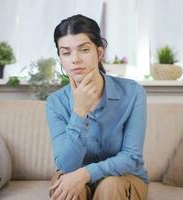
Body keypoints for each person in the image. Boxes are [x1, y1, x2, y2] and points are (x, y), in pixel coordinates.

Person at [46, 14, 148, 200]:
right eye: (66, 52)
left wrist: (85, 174)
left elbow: (131, 157)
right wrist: (79, 112)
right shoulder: (56, 102)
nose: (75, 59)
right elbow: (67, 166)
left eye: (83, 50)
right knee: (67, 189)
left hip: (123, 179)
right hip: (72, 177)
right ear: (60, 57)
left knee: (110, 185)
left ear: (99, 53)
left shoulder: (133, 93)